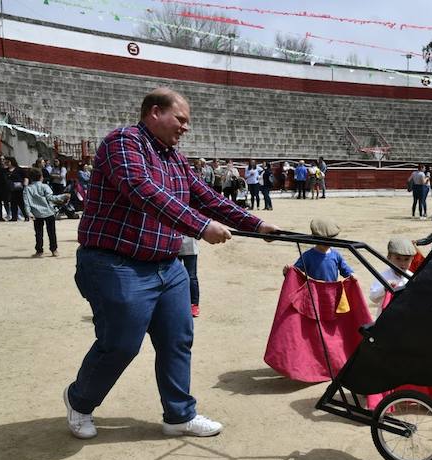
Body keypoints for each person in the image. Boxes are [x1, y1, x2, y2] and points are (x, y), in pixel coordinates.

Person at [65, 87, 279, 440]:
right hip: (116, 264)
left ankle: (179, 414)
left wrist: (254, 223)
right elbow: (141, 189)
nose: (185, 128)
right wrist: (200, 226)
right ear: (154, 112)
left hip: (168, 265)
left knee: (177, 339)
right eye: (181, 119)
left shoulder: (174, 157)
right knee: (120, 344)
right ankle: (80, 401)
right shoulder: (124, 141)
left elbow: (204, 196)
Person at [23, 167, 70, 257]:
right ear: (41, 177)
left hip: (36, 213)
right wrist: (64, 196)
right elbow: (51, 198)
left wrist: (29, 213)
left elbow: (26, 202)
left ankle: (39, 251)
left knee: (38, 233)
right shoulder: (45, 186)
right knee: (51, 232)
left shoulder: (27, 189)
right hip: (49, 212)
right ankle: (54, 250)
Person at [369, 237, 416, 313]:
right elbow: (373, 298)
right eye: (398, 258)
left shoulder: (412, 277)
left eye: (406, 259)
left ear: (412, 259)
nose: (402, 263)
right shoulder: (384, 277)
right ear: (389, 258)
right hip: (386, 317)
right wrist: (385, 288)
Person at [178, 236, 201, 317]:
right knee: (175, 277)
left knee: (191, 276)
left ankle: (194, 303)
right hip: (175, 247)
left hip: (190, 249)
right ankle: (176, 302)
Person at [7, 157, 28, 222]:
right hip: (11, 189)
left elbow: (26, 177)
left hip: (19, 189)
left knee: (21, 203)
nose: (7, 163)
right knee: (13, 204)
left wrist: (25, 185)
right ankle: (14, 217)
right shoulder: (6, 170)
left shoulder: (19, 169)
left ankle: (26, 216)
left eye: (8, 162)